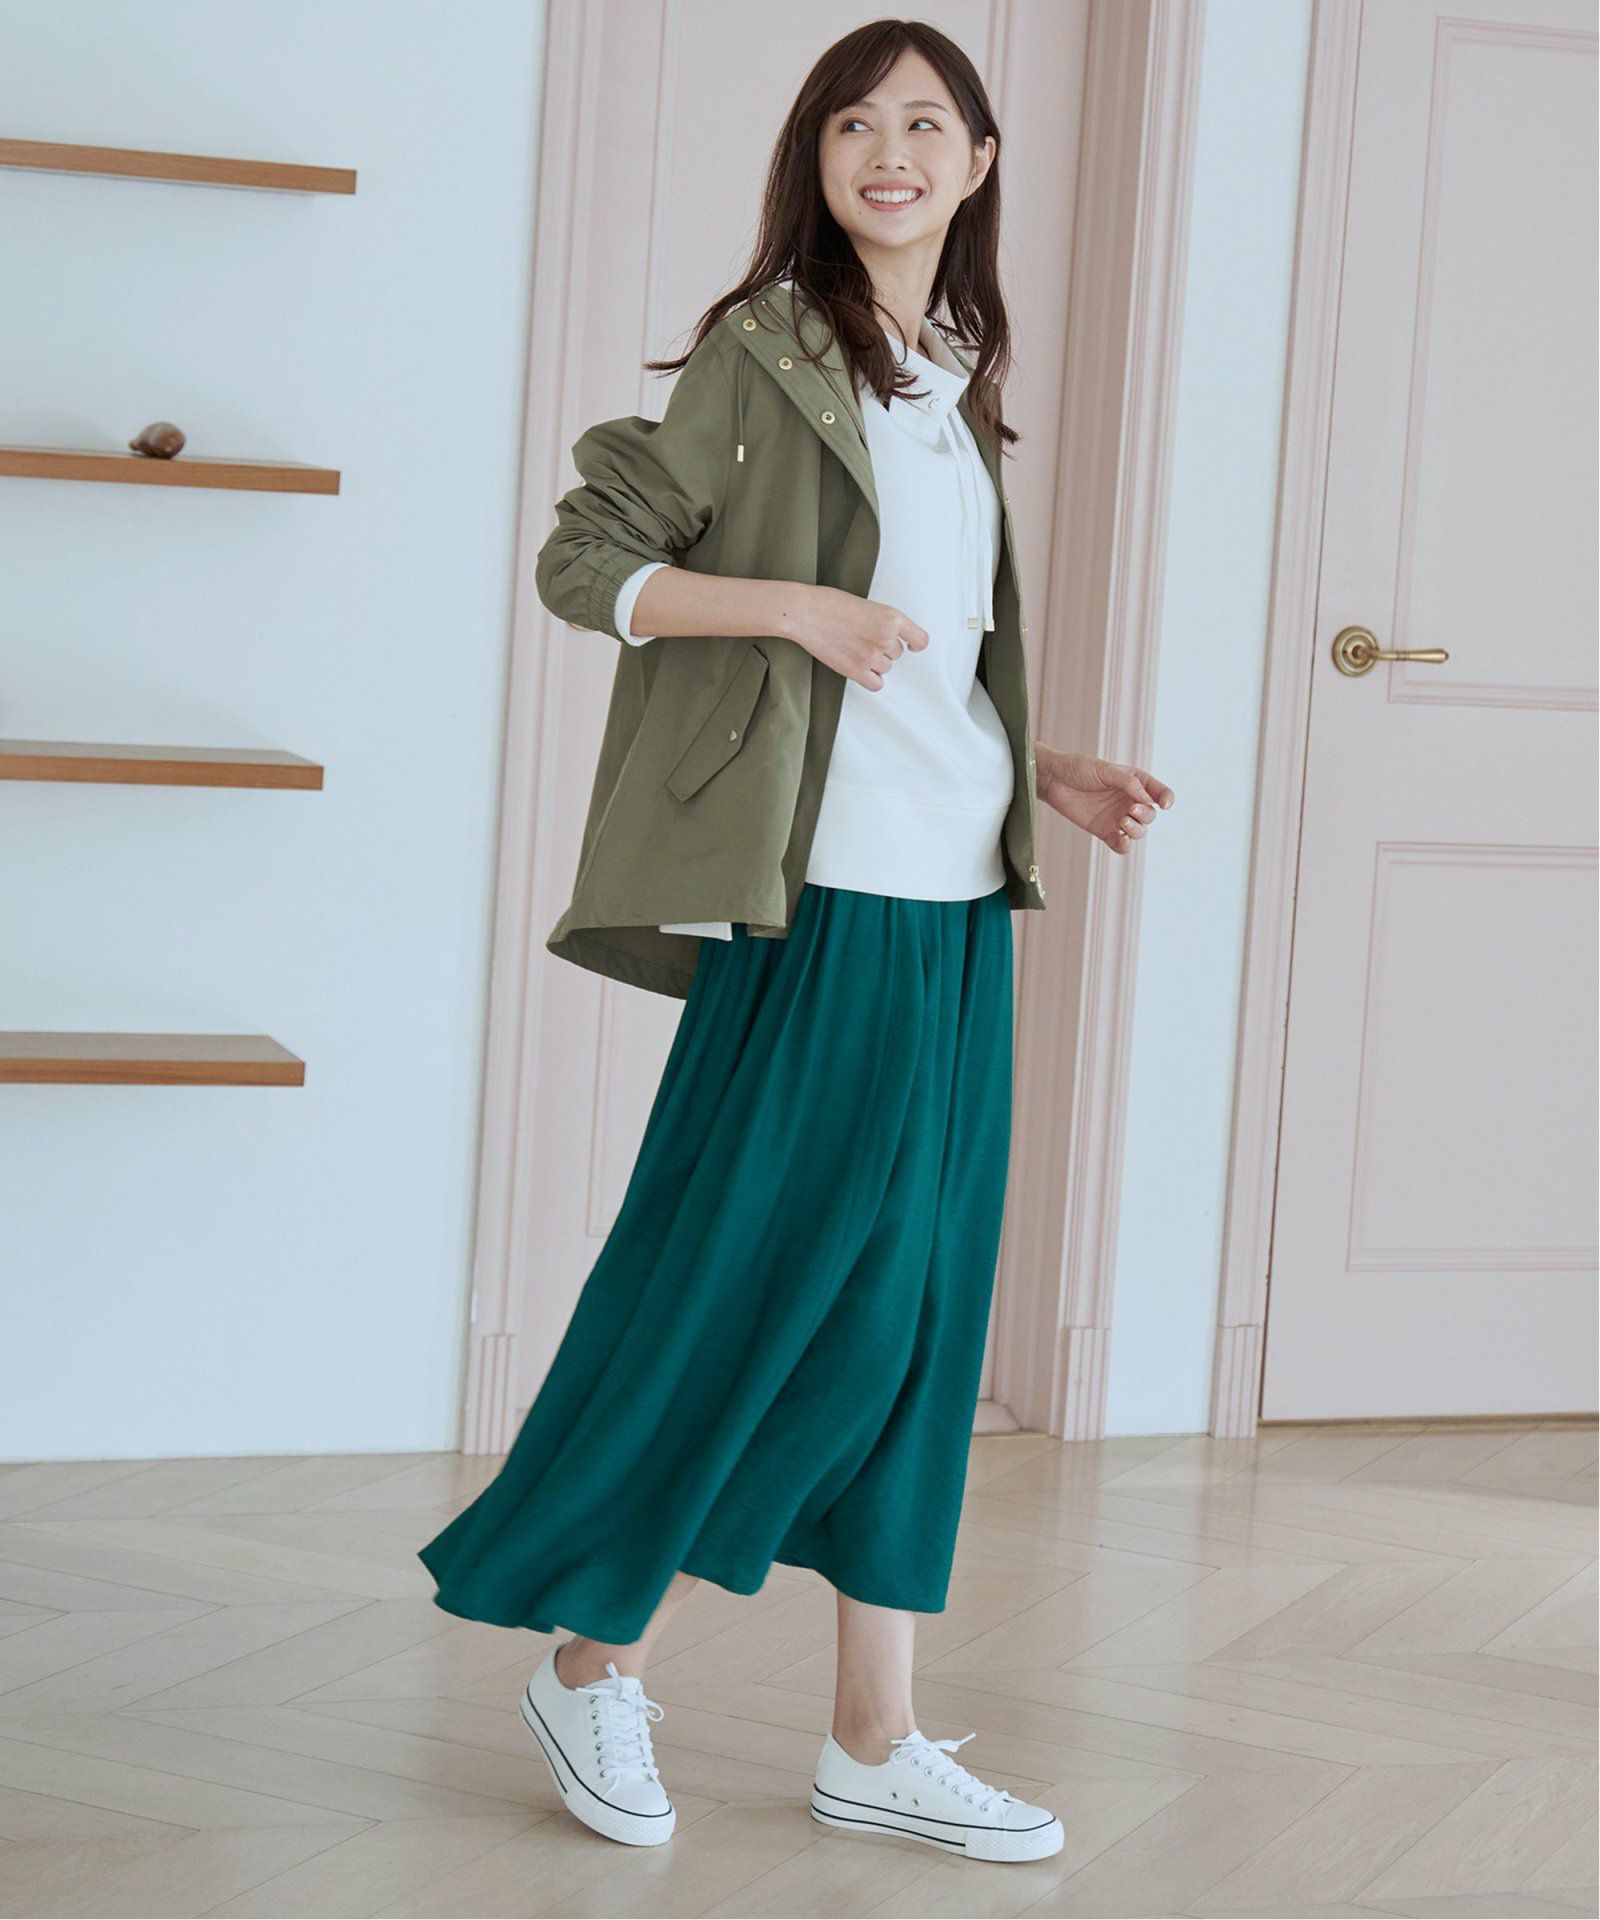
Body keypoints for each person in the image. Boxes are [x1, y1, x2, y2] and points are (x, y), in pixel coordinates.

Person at [419, 17, 1172, 1863]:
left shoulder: (954, 376)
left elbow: (920, 665)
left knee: (912, 1323)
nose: (887, 152)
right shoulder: (766, 351)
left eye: (924, 123)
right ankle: (594, 1661)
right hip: (822, 904)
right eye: (852, 125)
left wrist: (1035, 766)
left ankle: (874, 1737)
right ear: (817, 162)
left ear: (978, 163)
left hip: (957, 903)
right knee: (764, 1294)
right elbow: (589, 562)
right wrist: (792, 609)